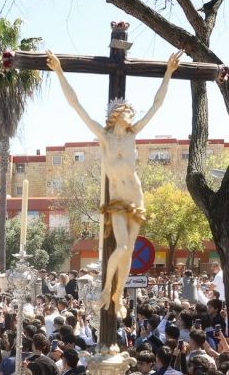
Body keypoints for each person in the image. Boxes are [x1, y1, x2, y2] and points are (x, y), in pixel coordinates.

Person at [46, 47, 181, 318]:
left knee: (129, 249)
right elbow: (76, 105)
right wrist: (59, 71)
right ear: (116, 115)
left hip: (136, 196)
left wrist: (168, 73)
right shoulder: (104, 137)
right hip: (117, 200)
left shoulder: (133, 136)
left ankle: (118, 296)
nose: (132, 114)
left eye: (132, 112)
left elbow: (157, 104)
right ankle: (108, 289)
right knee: (120, 247)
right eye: (127, 112)